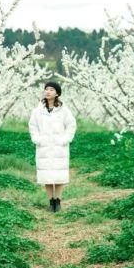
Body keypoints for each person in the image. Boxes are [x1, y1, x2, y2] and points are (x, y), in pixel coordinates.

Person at [28, 81, 77, 212]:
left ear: (57, 93)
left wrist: (65, 139)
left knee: (59, 175)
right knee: (47, 175)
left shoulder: (64, 110)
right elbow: (32, 126)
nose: (48, 91)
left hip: (59, 147)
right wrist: (37, 139)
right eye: (46, 89)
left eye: (51, 89)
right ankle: (51, 202)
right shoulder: (38, 111)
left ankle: (58, 201)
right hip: (44, 146)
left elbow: (71, 125)